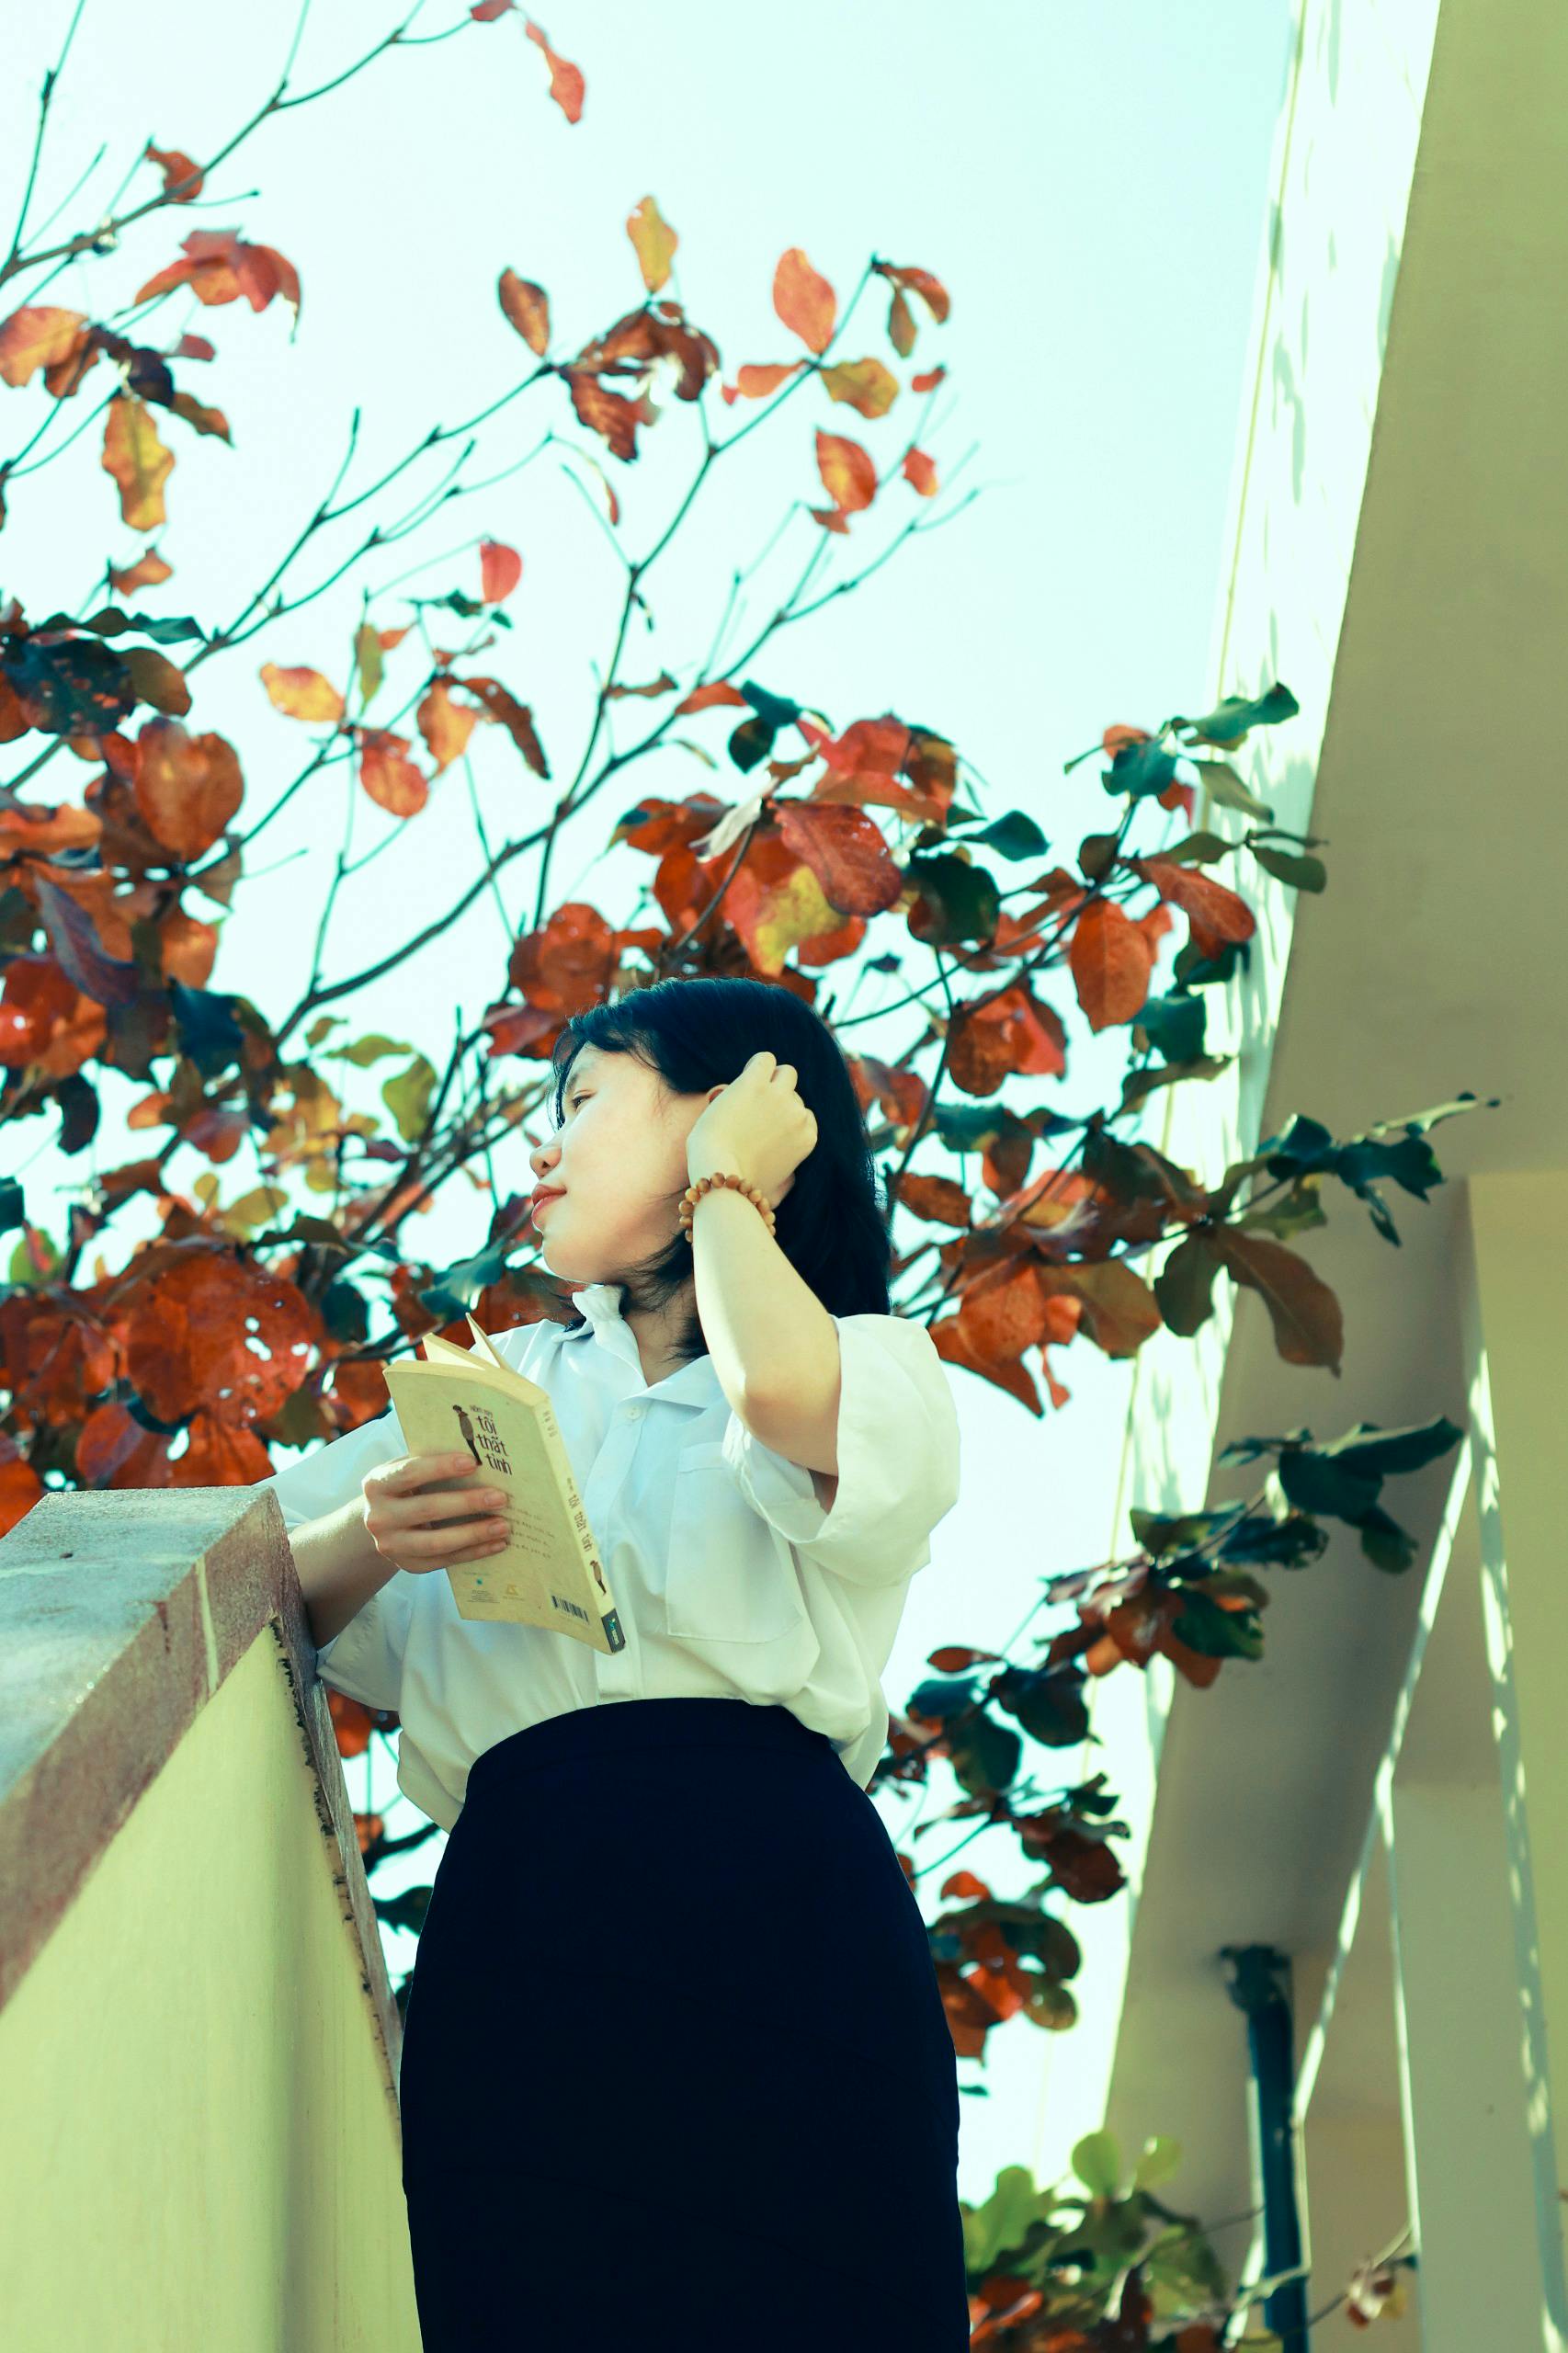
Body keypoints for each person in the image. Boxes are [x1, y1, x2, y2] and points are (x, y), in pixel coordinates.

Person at [254, 974, 968, 2347]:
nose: (550, 1149)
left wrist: (727, 1195)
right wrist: (368, 1530)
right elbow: (250, 1593)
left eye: (585, 1102)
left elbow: (777, 1394)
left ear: (727, 1117)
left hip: (781, 1915)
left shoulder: (874, 1361)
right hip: (524, 1921)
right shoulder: (494, 1378)